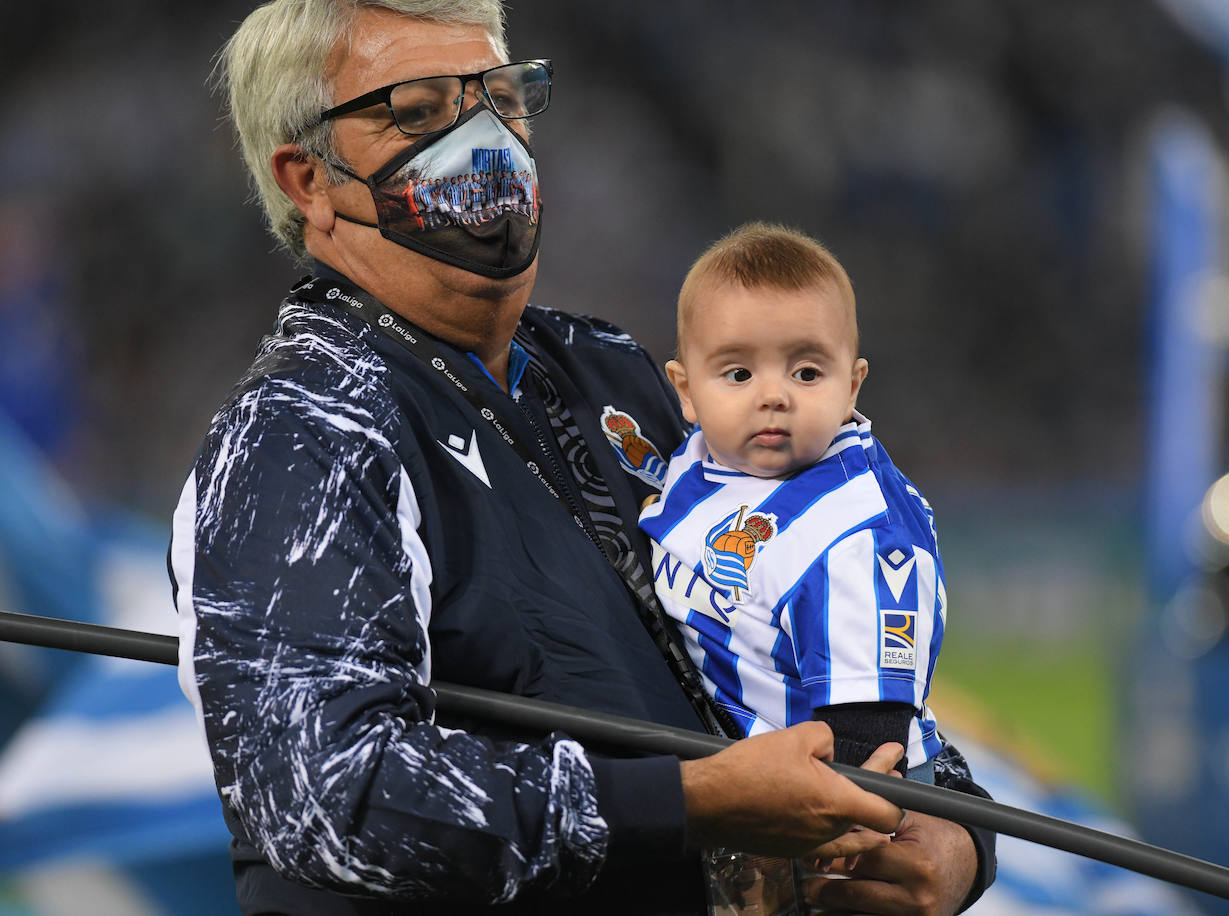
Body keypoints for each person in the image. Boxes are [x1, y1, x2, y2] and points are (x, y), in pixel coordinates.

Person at [170, 1, 995, 913]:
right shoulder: (301, 428)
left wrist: (954, 834)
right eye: (420, 110)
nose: (485, 137)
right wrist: (697, 804)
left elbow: (805, 641)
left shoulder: (609, 370)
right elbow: (326, 798)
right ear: (310, 180)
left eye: (501, 97)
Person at [642, 222, 947, 780]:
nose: (774, 396)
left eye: (807, 372)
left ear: (851, 386)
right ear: (686, 392)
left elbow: (871, 730)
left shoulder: (858, 533)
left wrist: (847, 826)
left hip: (830, 797)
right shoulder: (700, 454)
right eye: (738, 373)